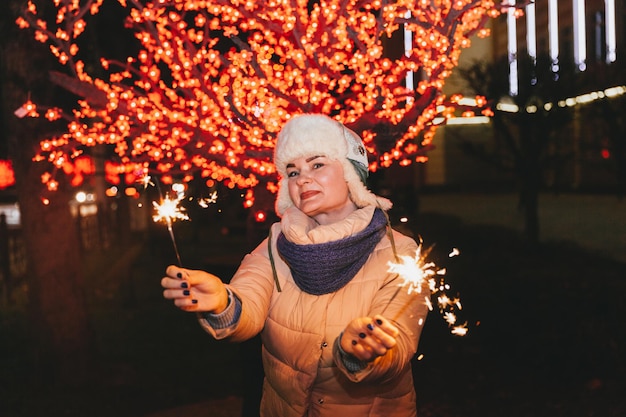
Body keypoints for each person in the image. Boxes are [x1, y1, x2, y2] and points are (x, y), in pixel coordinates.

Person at [161, 113, 430, 417]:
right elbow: (248, 301)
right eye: (292, 172)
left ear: (351, 175)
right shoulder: (277, 244)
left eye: (317, 164)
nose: (302, 178)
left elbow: (400, 341)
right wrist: (222, 303)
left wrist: (366, 352)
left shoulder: (399, 252)